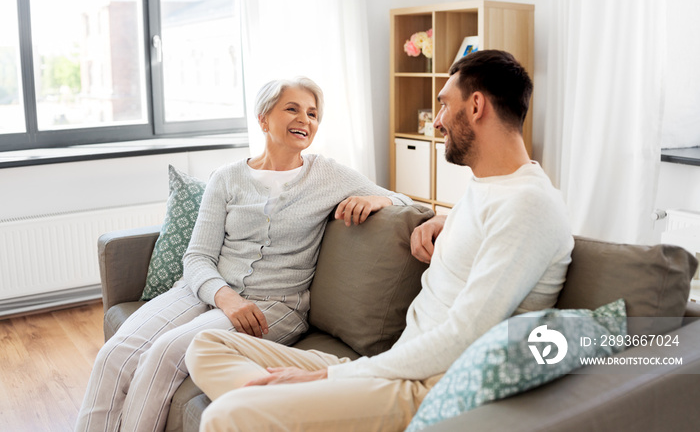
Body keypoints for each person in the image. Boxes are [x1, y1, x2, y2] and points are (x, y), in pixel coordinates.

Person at [184, 50, 575, 432]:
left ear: (475, 106)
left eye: (443, 106)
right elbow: (481, 227)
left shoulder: (530, 206)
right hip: (397, 365)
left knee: (226, 416)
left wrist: (327, 379)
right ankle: (282, 412)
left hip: (428, 386)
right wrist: (443, 218)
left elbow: (463, 337)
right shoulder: (489, 189)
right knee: (206, 346)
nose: (437, 121)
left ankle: (270, 409)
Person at [75, 77, 411, 432]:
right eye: (292, 109)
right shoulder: (227, 177)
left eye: (313, 114)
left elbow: (406, 201)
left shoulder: (328, 174)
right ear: (263, 118)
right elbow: (197, 257)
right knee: (116, 351)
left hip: (274, 305)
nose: (305, 120)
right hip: (205, 291)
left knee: (165, 354)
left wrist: (378, 199)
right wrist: (226, 298)